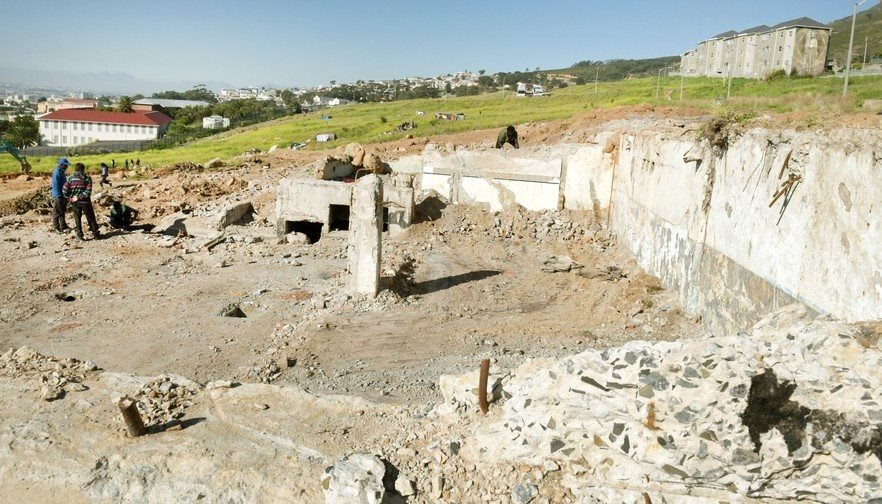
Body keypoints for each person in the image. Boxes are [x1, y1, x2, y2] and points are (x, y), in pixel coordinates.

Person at [62, 163, 102, 241]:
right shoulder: (87, 178)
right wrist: (79, 197)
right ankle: (96, 235)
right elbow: (88, 192)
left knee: (77, 219)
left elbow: (64, 190)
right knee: (91, 218)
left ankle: (80, 235)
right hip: (85, 202)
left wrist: (70, 198)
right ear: (83, 169)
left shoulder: (70, 178)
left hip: (75, 203)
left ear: (75, 169)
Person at [50, 158, 70, 233]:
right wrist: (62, 195)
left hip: (61, 195)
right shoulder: (57, 172)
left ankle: (63, 225)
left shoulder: (61, 172)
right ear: (61, 165)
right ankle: (56, 227)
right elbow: (58, 185)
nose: (67, 167)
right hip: (58, 195)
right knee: (57, 212)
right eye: (66, 165)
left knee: (62, 211)